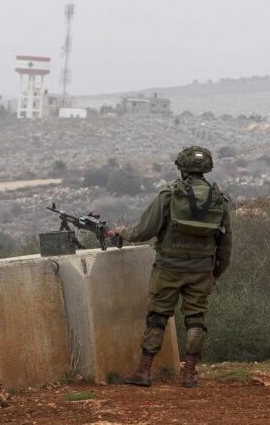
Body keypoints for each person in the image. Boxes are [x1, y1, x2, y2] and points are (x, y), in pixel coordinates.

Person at [107, 146, 232, 388]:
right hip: (202, 270)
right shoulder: (218, 199)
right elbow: (226, 245)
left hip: (168, 269)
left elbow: (144, 231)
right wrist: (215, 272)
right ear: (206, 168)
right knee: (196, 319)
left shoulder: (170, 194)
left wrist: (123, 231)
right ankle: (189, 374)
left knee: (158, 316)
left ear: (182, 168)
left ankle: (144, 371)